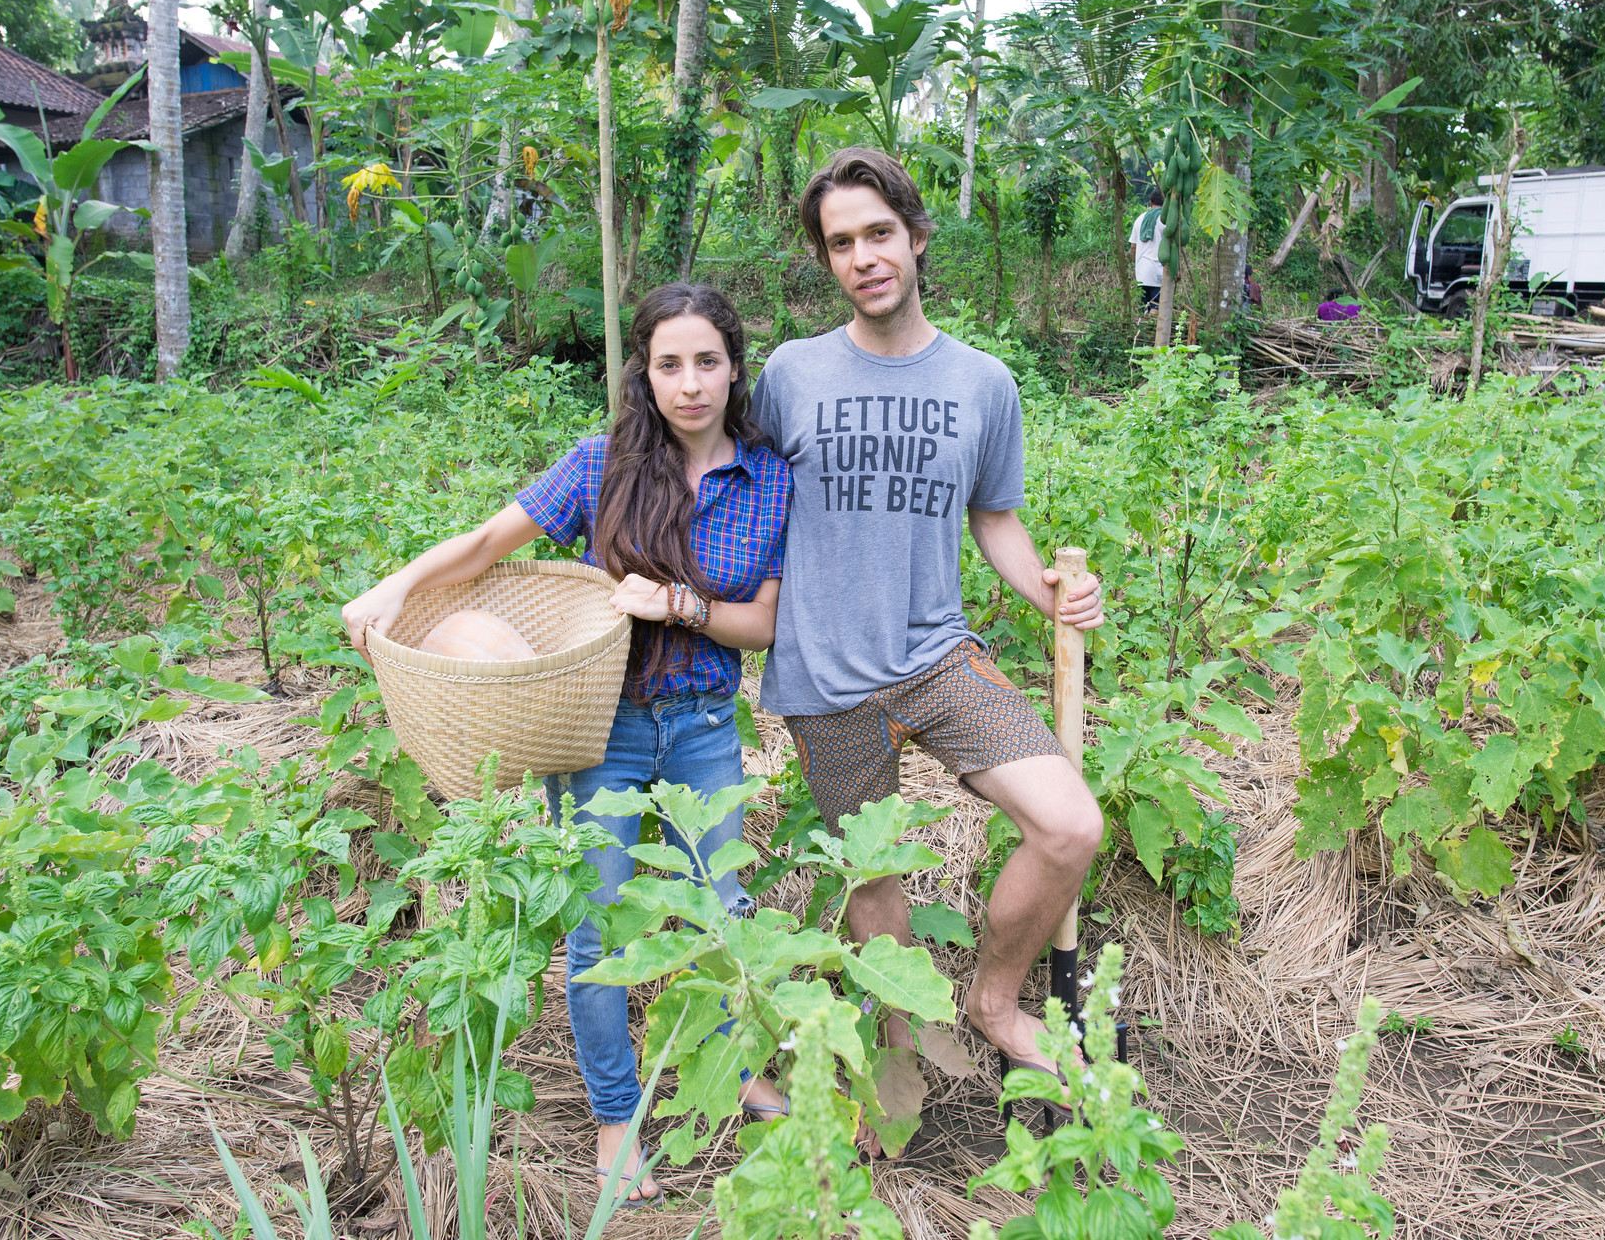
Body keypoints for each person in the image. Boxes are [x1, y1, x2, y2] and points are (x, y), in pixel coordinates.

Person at [341, 283, 790, 1205]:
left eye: (707, 361)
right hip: (601, 728)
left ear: (735, 367)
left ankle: (726, 1064)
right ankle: (617, 1116)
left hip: (705, 723)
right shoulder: (600, 466)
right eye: (669, 364)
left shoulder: (770, 478)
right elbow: (485, 544)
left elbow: (769, 626)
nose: (690, 383)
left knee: (722, 908)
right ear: (645, 373)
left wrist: (680, 606)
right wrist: (395, 585)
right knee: (598, 926)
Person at [749, 147, 1106, 1125]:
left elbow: (992, 514)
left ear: (913, 237)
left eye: (876, 233)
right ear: (825, 262)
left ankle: (993, 1001)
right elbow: (742, 492)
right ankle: (898, 1063)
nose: (861, 255)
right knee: (875, 885)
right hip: (824, 673)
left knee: (1068, 822)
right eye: (839, 242)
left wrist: (1046, 593)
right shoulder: (789, 374)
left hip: (936, 655)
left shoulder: (982, 383)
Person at [1129, 187, 1165, 315]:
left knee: (1143, 308)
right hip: (1158, 271)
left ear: (1150, 202)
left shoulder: (1140, 219)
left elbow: (1133, 246)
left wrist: (1136, 263)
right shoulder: (1165, 220)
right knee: (1156, 307)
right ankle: (1152, 332)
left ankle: (1141, 331)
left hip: (1142, 272)